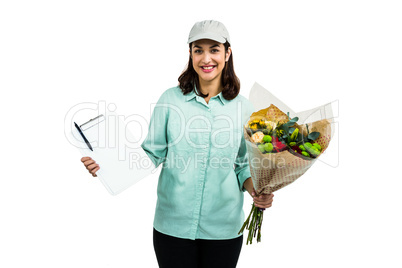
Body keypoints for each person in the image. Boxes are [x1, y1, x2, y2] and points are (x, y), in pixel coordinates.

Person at [81, 20, 274, 268]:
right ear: (191, 54)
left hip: (224, 228)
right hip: (172, 227)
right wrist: (106, 166)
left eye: (214, 49)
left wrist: (257, 191)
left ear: (227, 53)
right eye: (198, 50)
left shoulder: (244, 108)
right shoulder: (170, 100)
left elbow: (243, 165)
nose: (206, 58)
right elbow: (151, 154)